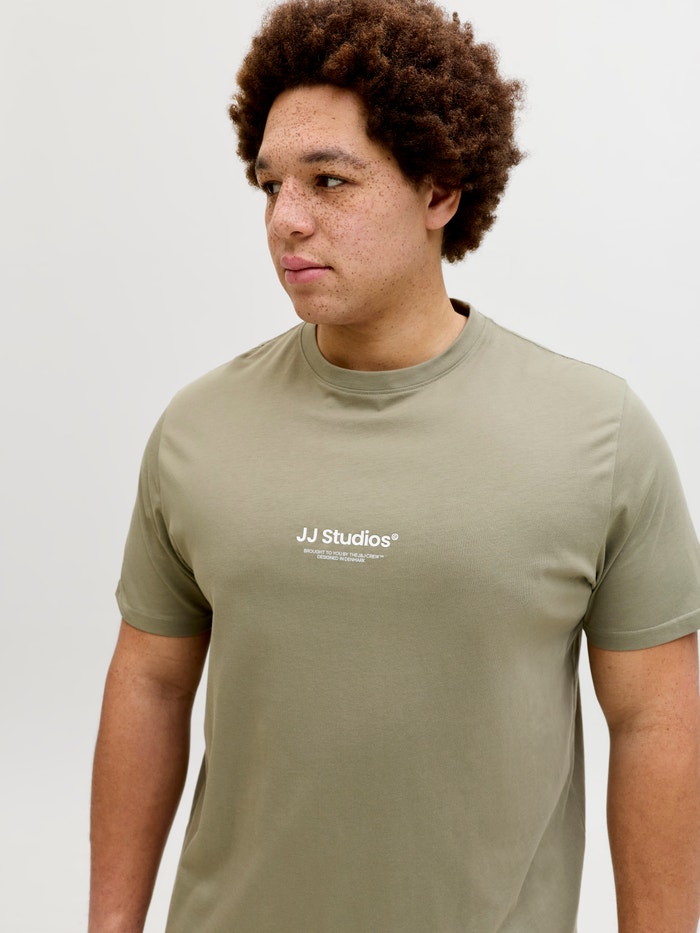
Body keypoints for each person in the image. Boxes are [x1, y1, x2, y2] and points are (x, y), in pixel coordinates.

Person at [89, 0, 700, 930]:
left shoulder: (597, 434)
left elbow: (657, 720)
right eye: (270, 185)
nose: (287, 220)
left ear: (439, 192)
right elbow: (151, 683)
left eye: (329, 180)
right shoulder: (198, 429)